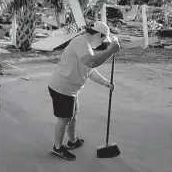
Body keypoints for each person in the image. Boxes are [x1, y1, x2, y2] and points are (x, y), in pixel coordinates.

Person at [48, 21, 121, 161]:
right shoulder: (80, 42)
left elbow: (90, 70)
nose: (101, 44)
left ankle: (72, 141)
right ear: (99, 34)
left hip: (70, 90)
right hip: (62, 88)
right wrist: (111, 50)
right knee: (64, 119)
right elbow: (91, 62)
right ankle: (57, 148)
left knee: (73, 115)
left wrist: (106, 83)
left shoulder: (85, 46)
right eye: (102, 39)